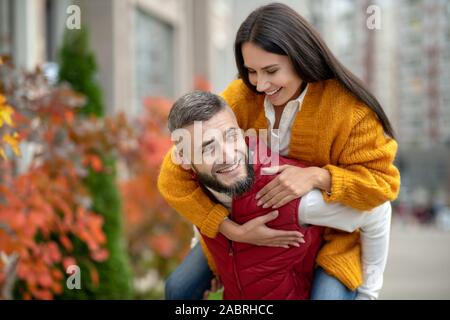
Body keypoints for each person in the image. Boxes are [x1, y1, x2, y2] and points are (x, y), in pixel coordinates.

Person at [158, 3, 400, 300]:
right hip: (247, 226)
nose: (261, 84)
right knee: (178, 289)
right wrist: (230, 230)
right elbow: (175, 171)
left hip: (331, 233)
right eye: (251, 71)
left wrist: (318, 177)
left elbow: (383, 187)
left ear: (300, 57)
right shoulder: (242, 96)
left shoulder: (351, 111)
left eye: (271, 70)